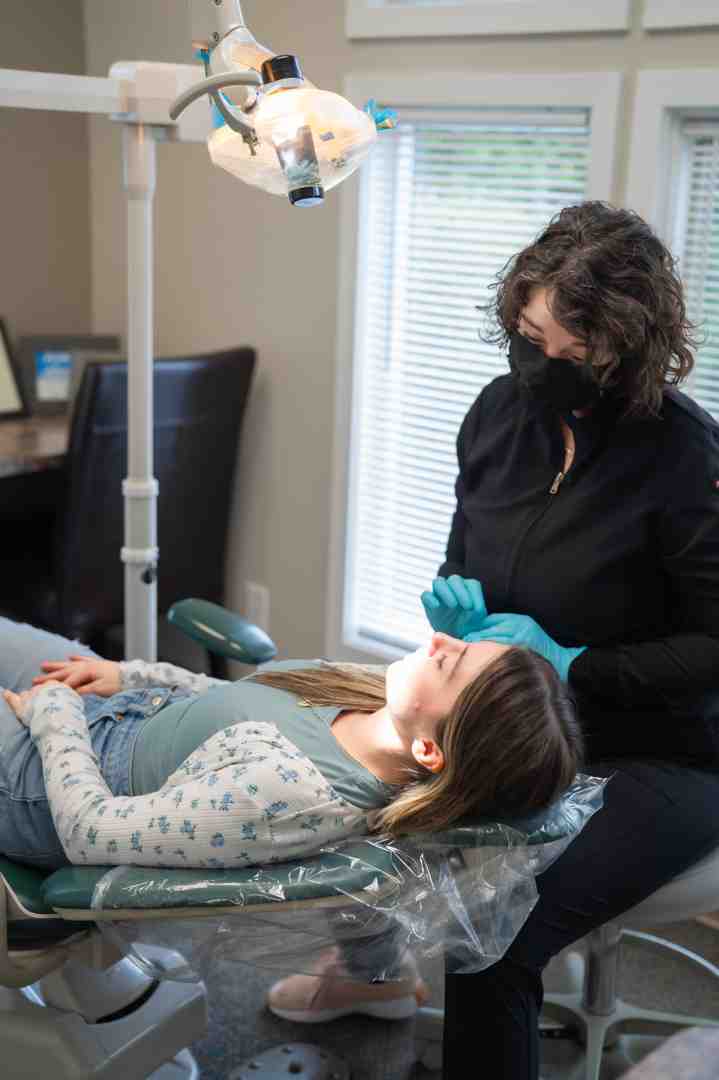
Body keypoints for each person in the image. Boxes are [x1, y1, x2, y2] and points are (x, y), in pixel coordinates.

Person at [268, 200, 719, 1074]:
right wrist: (458, 615)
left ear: (628, 348)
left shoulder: (684, 460)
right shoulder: (496, 416)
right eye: (528, 336)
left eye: (572, 353)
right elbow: (463, 549)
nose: (541, 364)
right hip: (513, 723)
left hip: (660, 752)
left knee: (492, 939)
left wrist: (575, 665)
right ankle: (373, 975)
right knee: (340, 781)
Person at [0, 616, 581, 880]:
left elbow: (88, 832)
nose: (439, 640)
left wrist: (55, 717)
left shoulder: (291, 795)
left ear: (430, 752)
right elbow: (237, 702)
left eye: (451, 663)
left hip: (40, 785)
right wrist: (129, 675)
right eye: (463, 644)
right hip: (114, 711)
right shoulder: (368, 695)